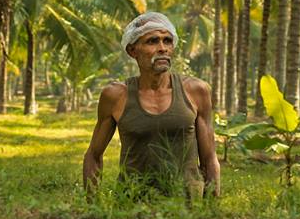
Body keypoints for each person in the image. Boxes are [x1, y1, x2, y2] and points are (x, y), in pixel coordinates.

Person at [83, 12, 221, 200]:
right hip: (132, 207)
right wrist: (92, 207)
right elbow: (93, 155)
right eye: (152, 41)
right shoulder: (115, 96)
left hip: (186, 209)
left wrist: (212, 209)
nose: (162, 48)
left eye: (167, 41)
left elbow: (209, 158)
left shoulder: (196, 91)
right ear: (133, 51)